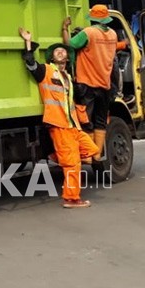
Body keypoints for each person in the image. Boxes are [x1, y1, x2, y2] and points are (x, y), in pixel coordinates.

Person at [19, 27, 99, 208]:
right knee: (73, 164)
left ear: (68, 58)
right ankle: (71, 198)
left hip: (73, 126)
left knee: (92, 149)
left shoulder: (68, 77)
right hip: (59, 125)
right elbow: (30, 63)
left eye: (63, 50)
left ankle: (59, 156)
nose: (61, 51)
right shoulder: (47, 71)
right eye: (57, 51)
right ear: (52, 58)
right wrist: (28, 42)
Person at [63, 5, 121, 161]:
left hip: (86, 85)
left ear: (93, 18)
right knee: (100, 121)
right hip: (105, 84)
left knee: (86, 119)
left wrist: (64, 29)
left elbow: (70, 45)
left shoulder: (89, 33)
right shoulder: (113, 35)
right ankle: (97, 154)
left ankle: (87, 156)